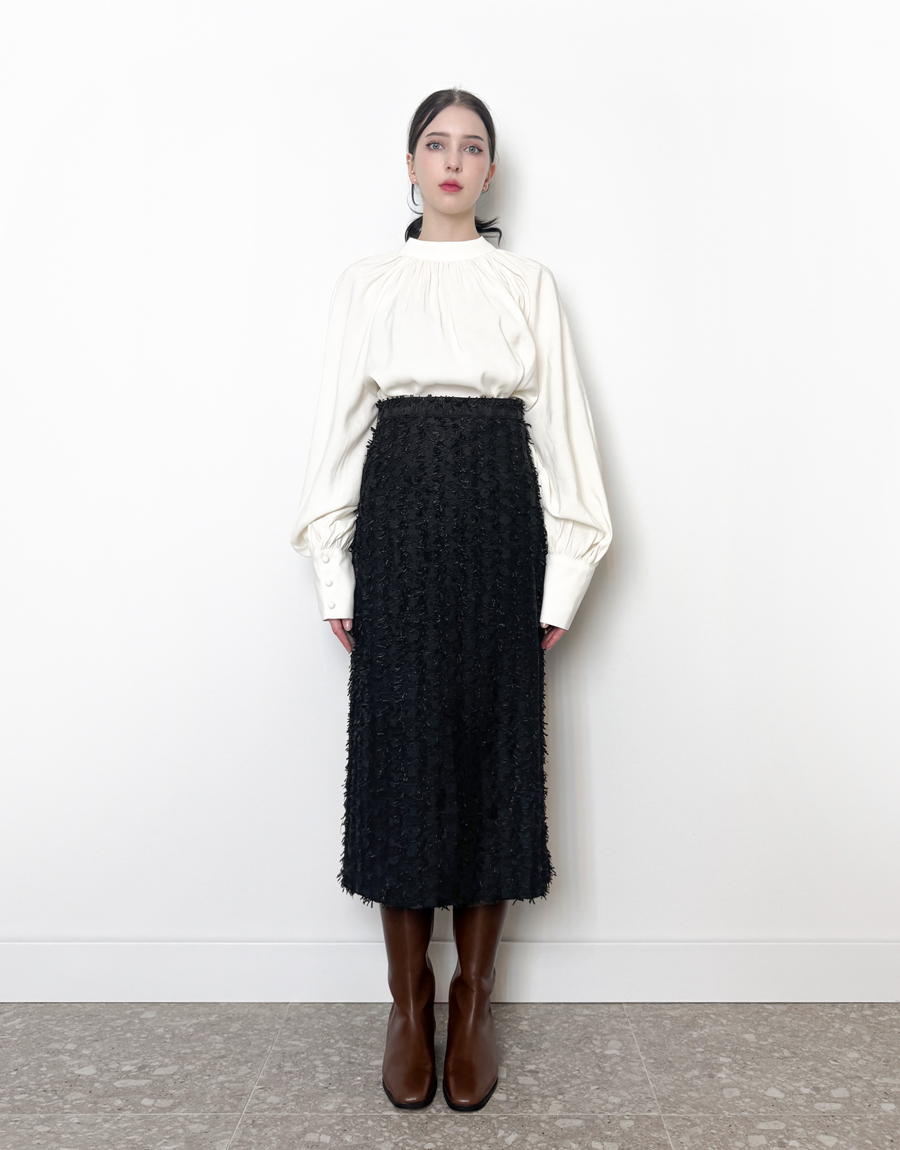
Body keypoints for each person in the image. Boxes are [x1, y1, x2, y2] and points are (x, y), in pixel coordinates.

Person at [290, 88, 612, 1113]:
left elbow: (562, 428)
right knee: (402, 758)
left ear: (490, 170)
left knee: (490, 755)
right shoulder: (367, 283)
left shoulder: (527, 283)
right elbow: (338, 430)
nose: (454, 160)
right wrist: (334, 567)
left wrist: (566, 573)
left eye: (473, 146)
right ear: (410, 163)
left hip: (499, 527)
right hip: (397, 527)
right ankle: (407, 1003)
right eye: (437, 143)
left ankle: (472, 1002)